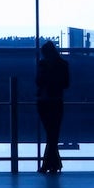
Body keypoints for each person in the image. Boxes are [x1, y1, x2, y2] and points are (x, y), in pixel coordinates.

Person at [36, 40, 70, 174]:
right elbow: (66, 84)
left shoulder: (42, 64)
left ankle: (48, 165)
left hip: (44, 101)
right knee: (53, 134)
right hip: (56, 101)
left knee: (51, 134)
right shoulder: (63, 64)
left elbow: (38, 82)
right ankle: (54, 165)